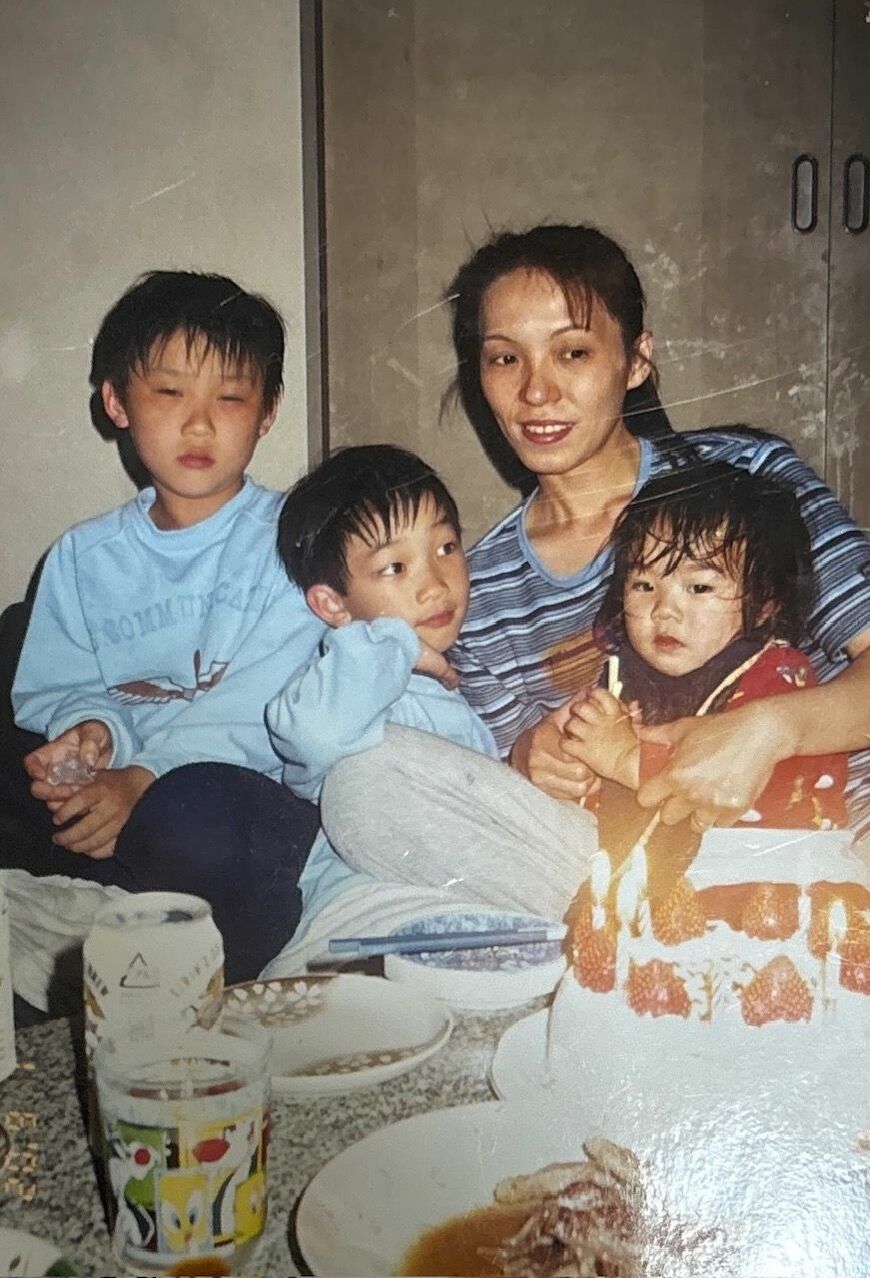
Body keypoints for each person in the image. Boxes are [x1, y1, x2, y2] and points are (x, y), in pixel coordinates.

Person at [320, 223, 870, 909]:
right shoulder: (474, 584)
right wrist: (527, 758)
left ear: (636, 360)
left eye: (572, 352)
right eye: (503, 359)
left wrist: (768, 730)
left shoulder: (746, 475)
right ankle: (647, 929)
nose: (536, 393)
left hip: (827, 832)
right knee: (363, 782)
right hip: (634, 861)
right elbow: (497, 792)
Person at [6, 270, 326, 984]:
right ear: (118, 401)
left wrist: (142, 779)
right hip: (126, 796)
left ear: (268, 411)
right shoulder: (84, 557)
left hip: (247, 804)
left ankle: (200, 959)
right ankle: (110, 926)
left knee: (190, 815)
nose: (201, 423)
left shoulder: (293, 538)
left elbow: (266, 703)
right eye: (170, 393)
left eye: (232, 397)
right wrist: (90, 735)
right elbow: (55, 686)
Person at [259, 445, 598, 972]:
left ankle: (610, 908)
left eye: (446, 547)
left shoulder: (455, 692)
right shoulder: (348, 680)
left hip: (477, 917)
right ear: (332, 605)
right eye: (395, 567)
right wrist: (396, 646)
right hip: (366, 915)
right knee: (360, 778)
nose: (435, 584)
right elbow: (312, 736)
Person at [563, 461, 848, 864]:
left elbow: (748, 792)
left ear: (766, 601)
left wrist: (627, 761)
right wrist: (581, 768)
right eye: (643, 584)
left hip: (766, 883)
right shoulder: (622, 674)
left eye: (699, 587)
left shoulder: (779, 674)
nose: (663, 610)